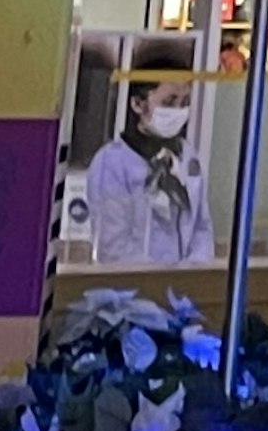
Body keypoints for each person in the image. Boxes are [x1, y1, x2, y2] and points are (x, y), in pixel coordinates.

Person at [76, 50, 217, 271]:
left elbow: (201, 224)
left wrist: (194, 268)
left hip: (185, 288)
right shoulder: (112, 162)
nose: (179, 111)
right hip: (135, 286)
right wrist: (158, 278)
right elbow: (113, 245)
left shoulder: (187, 155)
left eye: (185, 102)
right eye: (169, 102)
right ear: (138, 104)